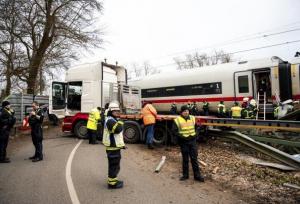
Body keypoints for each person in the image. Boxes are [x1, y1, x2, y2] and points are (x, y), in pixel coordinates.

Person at [173, 105, 204, 182]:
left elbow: (197, 127)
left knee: (194, 159)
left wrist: (196, 134)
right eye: (184, 111)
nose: (186, 112)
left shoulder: (193, 118)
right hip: (184, 142)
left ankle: (197, 176)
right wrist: (183, 137)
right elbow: (174, 131)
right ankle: (185, 175)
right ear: (181, 112)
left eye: (187, 111)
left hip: (192, 141)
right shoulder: (177, 120)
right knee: (185, 159)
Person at [102, 101, 125, 189]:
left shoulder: (112, 119)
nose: (117, 112)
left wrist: (122, 145)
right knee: (114, 166)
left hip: (114, 147)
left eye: (118, 111)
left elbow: (116, 136)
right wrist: (121, 122)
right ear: (111, 111)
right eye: (115, 111)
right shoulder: (110, 120)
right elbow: (118, 129)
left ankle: (113, 181)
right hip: (113, 148)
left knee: (114, 166)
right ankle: (112, 184)